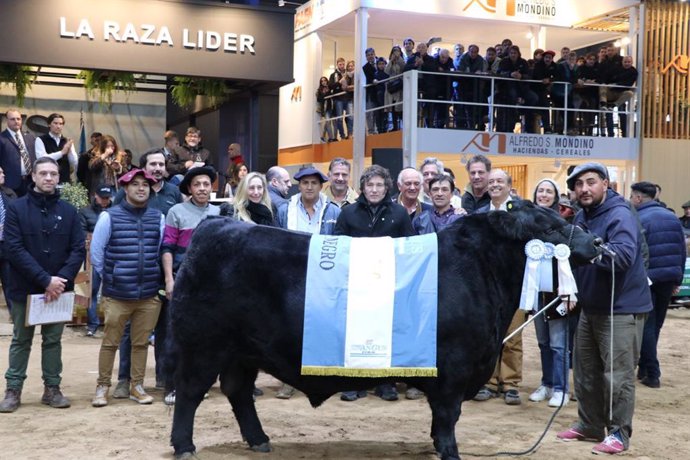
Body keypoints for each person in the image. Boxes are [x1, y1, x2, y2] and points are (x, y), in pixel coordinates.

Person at [556, 162, 652, 455]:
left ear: (606, 184)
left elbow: (622, 256)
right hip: (590, 306)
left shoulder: (619, 213)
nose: (584, 189)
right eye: (579, 184)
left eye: (591, 182)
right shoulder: (582, 215)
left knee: (618, 375)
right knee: (585, 370)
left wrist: (588, 248)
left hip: (621, 308)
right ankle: (590, 424)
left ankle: (619, 434)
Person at [0, 157, 85, 413]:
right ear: (34, 177)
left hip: (59, 288)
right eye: (43, 174)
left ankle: (52, 389)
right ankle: (13, 390)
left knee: (53, 340)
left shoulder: (70, 211)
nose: (49, 178)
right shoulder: (16, 209)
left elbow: (78, 249)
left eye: (53, 174)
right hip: (24, 287)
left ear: (59, 178)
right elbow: (13, 248)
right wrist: (45, 279)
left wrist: (60, 281)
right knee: (20, 340)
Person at [335, 164, 415, 402]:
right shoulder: (348, 213)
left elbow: (409, 247)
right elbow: (338, 245)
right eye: (370, 185)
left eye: (379, 185)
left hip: (388, 285)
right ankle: (354, 382)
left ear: (387, 187)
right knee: (355, 332)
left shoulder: (400, 213)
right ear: (362, 187)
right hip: (356, 286)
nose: (374, 189)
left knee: (386, 332)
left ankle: (385, 383)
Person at [90, 168, 165, 407]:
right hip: (117, 295)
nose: (141, 188)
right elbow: (96, 253)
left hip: (149, 294)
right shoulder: (108, 217)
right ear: (125, 188)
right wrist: (111, 277)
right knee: (110, 342)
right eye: (135, 184)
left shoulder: (158, 217)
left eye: (145, 184)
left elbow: (161, 253)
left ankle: (137, 386)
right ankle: (102, 387)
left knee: (141, 343)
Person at [111, 150, 182, 397]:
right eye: (152, 163)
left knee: (164, 328)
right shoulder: (127, 191)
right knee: (130, 331)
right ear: (143, 166)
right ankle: (124, 379)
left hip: (162, 274)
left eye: (161, 164)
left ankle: (162, 377)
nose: (157, 168)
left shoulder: (174, 192)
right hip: (131, 276)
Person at [276, 166, 340, 399]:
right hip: (291, 277)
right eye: (305, 183)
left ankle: (321, 378)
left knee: (322, 327)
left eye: (314, 183)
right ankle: (289, 380)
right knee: (290, 330)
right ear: (298, 185)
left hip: (323, 278)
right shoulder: (285, 210)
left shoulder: (334, 211)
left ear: (321, 185)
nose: (309, 187)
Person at [160, 167, 221, 405]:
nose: (203, 188)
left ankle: (196, 385)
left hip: (210, 285)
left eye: (206, 184)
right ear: (190, 188)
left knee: (203, 337)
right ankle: (172, 387)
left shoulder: (219, 212)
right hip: (183, 280)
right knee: (176, 335)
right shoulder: (176, 212)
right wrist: (169, 279)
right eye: (198, 184)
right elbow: (167, 247)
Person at [473, 169, 526, 405]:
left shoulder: (522, 213)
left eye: (499, 181)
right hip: (486, 287)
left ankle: (511, 384)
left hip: (513, 286)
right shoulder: (480, 214)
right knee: (487, 336)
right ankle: (488, 381)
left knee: (512, 336)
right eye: (491, 181)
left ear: (509, 186)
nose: (494, 185)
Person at [629, 181, 686, 388]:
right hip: (669, 277)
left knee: (647, 325)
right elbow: (682, 250)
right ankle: (644, 368)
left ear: (638, 198)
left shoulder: (638, 218)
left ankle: (652, 372)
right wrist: (677, 279)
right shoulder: (672, 217)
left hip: (648, 278)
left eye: (631, 196)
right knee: (656, 324)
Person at [528, 179, 572, 407]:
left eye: (548, 191)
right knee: (543, 341)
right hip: (536, 290)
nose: (543, 194)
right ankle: (546, 383)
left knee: (558, 343)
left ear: (555, 196)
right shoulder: (527, 221)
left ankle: (561, 388)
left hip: (558, 290)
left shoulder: (562, 223)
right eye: (540, 190)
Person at [78, 184, 114, 337]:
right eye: (102, 198)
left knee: (113, 292)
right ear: (95, 196)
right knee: (91, 290)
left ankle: (112, 324)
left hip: (112, 256)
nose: (105, 201)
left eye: (107, 198)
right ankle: (92, 324)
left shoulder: (116, 211)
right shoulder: (85, 212)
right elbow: (81, 232)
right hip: (91, 255)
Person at [0, 108, 37, 196]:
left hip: (30, 182)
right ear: (7, 121)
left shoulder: (30, 137)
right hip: (10, 184)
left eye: (18, 119)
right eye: (12, 119)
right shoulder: (1, 138)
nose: (16, 121)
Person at [35, 113, 78, 184]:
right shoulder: (40, 139)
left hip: (65, 180)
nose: (58, 126)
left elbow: (74, 162)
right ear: (49, 124)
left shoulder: (67, 140)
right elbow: (41, 159)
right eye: (55, 123)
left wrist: (70, 151)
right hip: (47, 180)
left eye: (61, 124)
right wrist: (62, 153)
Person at [0, 166, 18, 314]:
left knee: (9, 281)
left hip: (6, 245)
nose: (3, 174)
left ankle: (15, 314)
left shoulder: (10, 193)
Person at [384, 45, 405, 131]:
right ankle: (395, 127)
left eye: (398, 51)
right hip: (391, 87)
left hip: (399, 87)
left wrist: (399, 58)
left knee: (400, 108)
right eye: (394, 51)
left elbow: (404, 68)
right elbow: (386, 71)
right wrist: (391, 61)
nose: (396, 53)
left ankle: (403, 126)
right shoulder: (390, 62)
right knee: (392, 108)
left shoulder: (402, 61)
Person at [316, 77, 335, 142]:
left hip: (331, 107)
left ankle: (322, 136)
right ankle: (331, 138)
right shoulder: (319, 90)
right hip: (325, 108)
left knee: (328, 122)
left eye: (325, 80)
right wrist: (324, 93)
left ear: (327, 81)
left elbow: (332, 95)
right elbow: (319, 99)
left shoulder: (330, 87)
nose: (324, 82)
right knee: (328, 122)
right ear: (321, 83)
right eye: (322, 81)